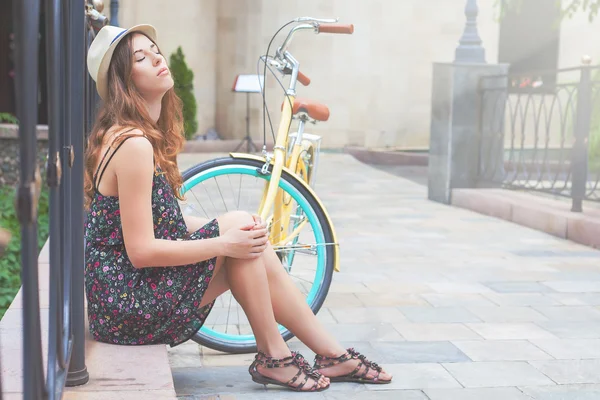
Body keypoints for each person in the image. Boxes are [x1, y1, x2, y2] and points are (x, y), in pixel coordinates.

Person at [84, 24, 392, 392]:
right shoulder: (133, 144)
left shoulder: (131, 135)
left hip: (122, 297)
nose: (156, 58)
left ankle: (321, 355)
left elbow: (165, 219)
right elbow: (142, 251)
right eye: (140, 57)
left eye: (154, 49)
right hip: (127, 306)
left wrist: (229, 229)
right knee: (237, 244)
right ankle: (279, 357)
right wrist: (223, 244)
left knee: (242, 229)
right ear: (124, 80)